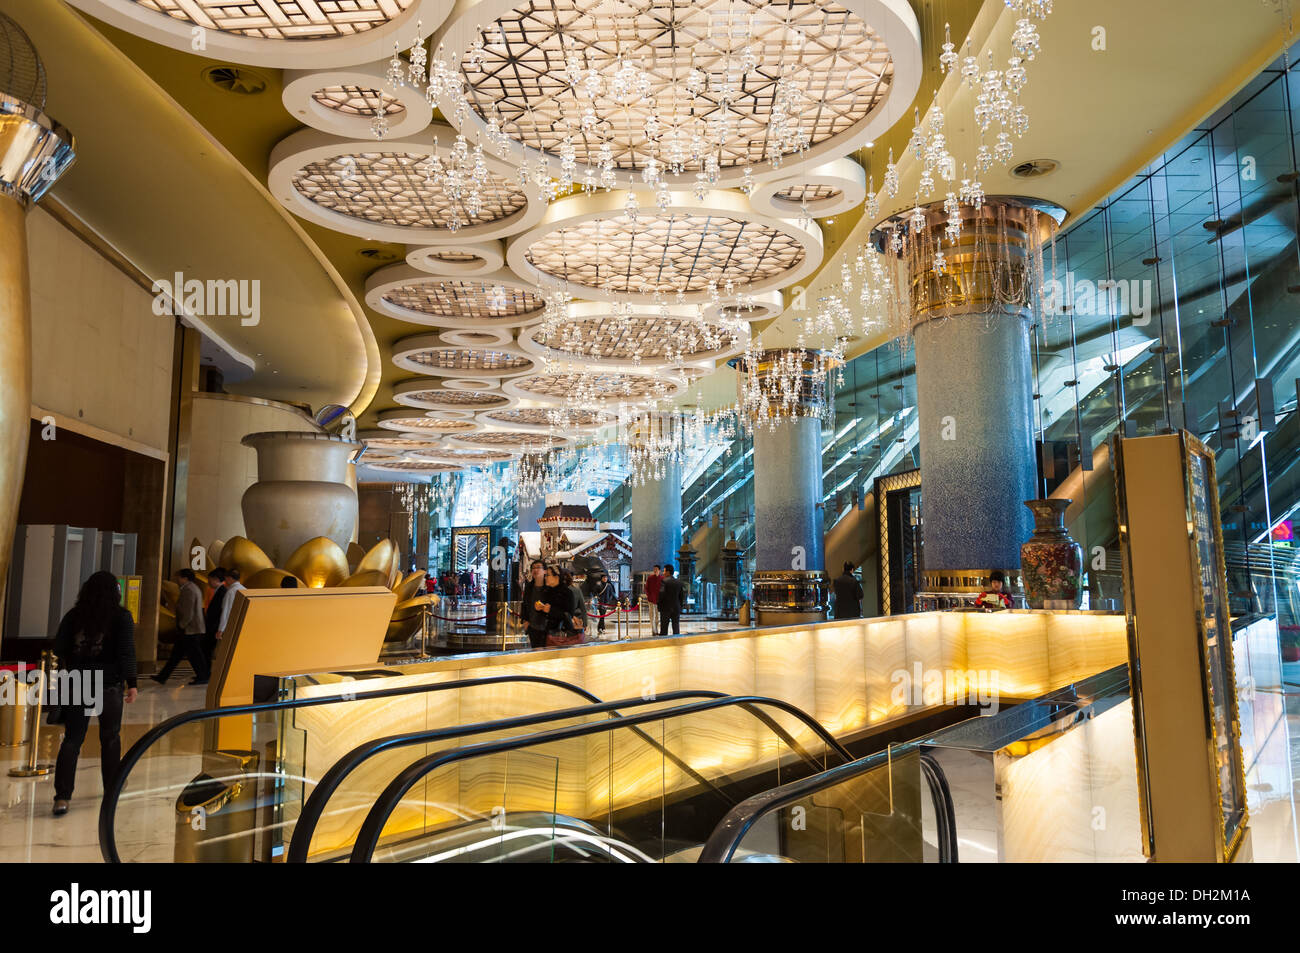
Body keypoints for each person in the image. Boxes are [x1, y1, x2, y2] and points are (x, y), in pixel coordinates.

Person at [50, 571, 138, 816]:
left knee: (72, 740)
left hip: (78, 681)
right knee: (110, 738)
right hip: (108, 684)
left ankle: (62, 797)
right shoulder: (121, 617)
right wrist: (132, 683)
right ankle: (111, 789)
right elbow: (126, 652)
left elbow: (59, 649)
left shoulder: (73, 616)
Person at [152, 569, 210, 685]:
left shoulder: (189, 590)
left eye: (178, 577)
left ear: (185, 578)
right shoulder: (192, 588)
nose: (177, 580)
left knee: (194, 655)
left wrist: (182, 625)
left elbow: (188, 612)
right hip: (191, 628)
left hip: (190, 629)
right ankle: (163, 676)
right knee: (178, 654)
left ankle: (203, 676)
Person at [521, 559, 549, 649]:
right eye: (533, 568)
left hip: (547, 626)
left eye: (538, 567)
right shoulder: (529, 587)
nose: (535, 570)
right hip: (533, 626)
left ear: (545, 571)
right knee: (535, 651)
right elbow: (525, 604)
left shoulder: (549, 587)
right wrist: (525, 621)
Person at [202, 567, 226, 667]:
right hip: (213, 626)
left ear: (216, 579)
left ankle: (205, 674)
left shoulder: (222, 591)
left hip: (214, 627)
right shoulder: (217, 591)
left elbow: (220, 611)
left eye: (210, 579)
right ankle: (204, 673)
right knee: (206, 650)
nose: (208, 582)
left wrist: (218, 628)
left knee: (207, 649)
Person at [215, 568, 245, 644]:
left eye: (226, 578)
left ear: (230, 578)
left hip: (230, 625)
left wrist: (221, 629)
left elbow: (226, 611)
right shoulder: (245, 589)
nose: (225, 581)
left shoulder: (230, 592)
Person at [657, 563, 685, 637]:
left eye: (664, 571)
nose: (663, 573)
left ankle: (663, 644)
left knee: (664, 629)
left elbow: (661, 594)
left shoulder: (664, 581)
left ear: (668, 572)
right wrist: (680, 607)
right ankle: (676, 642)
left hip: (665, 608)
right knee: (676, 627)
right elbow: (681, 597)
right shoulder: (679, 582)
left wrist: (658, 604)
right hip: (676, 608)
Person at [593, 571, 617, 637]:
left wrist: (610, 600)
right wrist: (597, 597)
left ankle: (600, 628)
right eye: (604, 578)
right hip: (600, 603)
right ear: (601, 578)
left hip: (606, 603)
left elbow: (612, 594)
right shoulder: (598, 584)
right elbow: (595, 592)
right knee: (602, 615)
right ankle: (602, 628)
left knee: (602, 616)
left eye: (606, 577)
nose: (605, 579)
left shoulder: (609, 585)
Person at [644, 564, 662, 634]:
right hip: (651, 600)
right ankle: (653, 630)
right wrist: (649, 596)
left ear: (659, 570)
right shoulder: (650, 578)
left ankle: (656, 629)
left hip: (659, 600)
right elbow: (646, 588)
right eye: (654, 569)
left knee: (658, 616)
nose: (655, 570)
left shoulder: (661, 578)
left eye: (656, 569)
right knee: (652, 615)